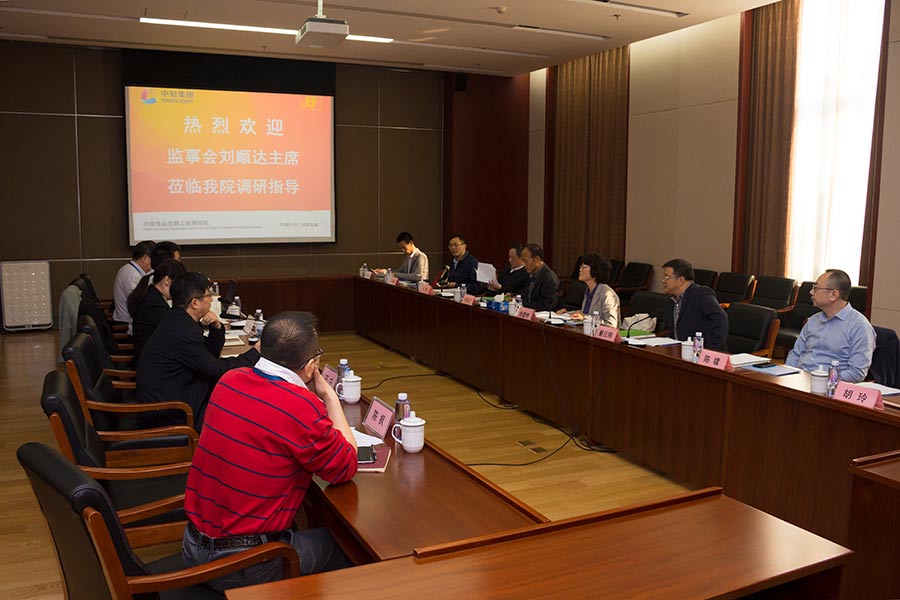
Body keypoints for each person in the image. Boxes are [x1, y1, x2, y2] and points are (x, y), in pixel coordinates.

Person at [182, 311, 356, 592]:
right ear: (311, 365)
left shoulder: (229, 380)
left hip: (192, 548)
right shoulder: (299, 406)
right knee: (351, 548)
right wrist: (328, 396)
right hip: (245, 565)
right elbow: (346, 465)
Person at [136, 272, 259, 428]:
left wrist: (216, 327)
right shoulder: (182, 331)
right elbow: (216, 369)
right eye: (208, 296)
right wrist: (254, 353)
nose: (211, 300)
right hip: (172, 413)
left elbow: (210, 355)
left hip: (176, 396)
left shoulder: (178, 319)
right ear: (195, 303)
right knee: (241, 403)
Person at [786, 269, 876, 382]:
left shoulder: (859, 327)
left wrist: (822, 381)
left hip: (830, 386)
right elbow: (795, 354)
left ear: (833, 295)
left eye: (816, 288)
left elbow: (856, 373)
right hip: (799, 380)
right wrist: (788, 375)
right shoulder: (813, 320)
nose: (811, 292)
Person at [660, 258, 728, 351]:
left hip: (701, 353)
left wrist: (714, 350)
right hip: (680, 352)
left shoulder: (700, 294)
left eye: (667, 277)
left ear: (680, 280)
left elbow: (720, 318)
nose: (663, 281)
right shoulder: (672, 300)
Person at [127, 258, 187, 359]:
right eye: (179, 285)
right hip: (152, 361)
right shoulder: (154, 305)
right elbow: (176, 332)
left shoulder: (152, 296)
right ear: (167, 280)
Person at [557, 253, 620, 328]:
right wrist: (567, 314)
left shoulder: (608, 295)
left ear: (595, 270)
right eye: (580, 267)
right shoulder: (588, 290)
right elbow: (585, 314)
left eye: (584, 267)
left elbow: (611, 325)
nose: (580, 270)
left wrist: (585, 318)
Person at [112, 241, 154, 326]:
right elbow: (138, 304)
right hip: (126, 324)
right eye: (153, 259)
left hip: (130, 319)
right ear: (145, 258)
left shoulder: (130, 269)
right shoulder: (132, 275)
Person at [521, 243, 560, 312]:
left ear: (537, 259)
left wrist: (527, 306)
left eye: (525, 261)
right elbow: (526, 297)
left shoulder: (549, 278)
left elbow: (547, 305)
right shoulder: (531, 274)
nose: (523, 264)